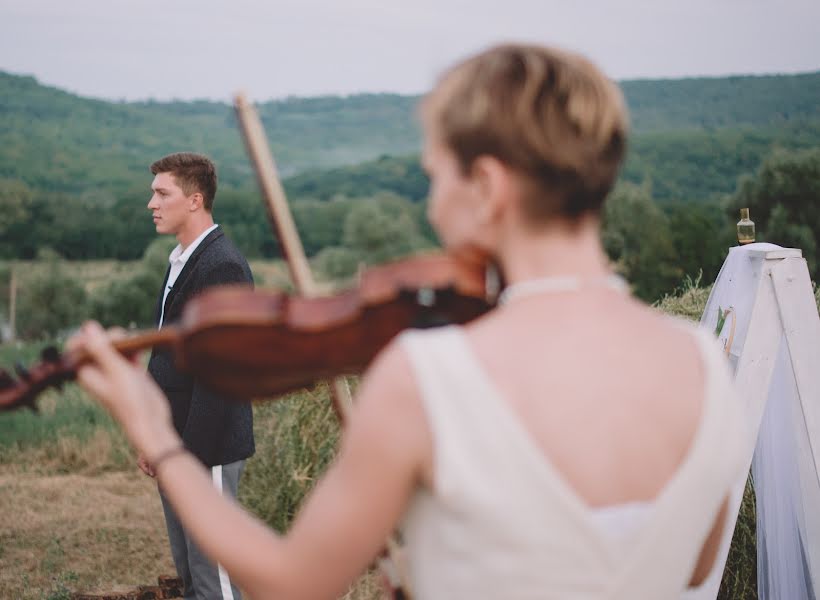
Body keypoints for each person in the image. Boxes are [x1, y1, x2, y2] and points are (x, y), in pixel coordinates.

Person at [69, 45, 747, 599]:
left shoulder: (430, 379)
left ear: (487, 185)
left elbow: (292, 584)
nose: (432, 206)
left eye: (435, 176)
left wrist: (157, 436)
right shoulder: (707, 365)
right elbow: (687, 568)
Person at [143, 152, 255, 600]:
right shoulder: (180, 260)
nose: (151, 203)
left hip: (206, 448)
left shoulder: (220, 266)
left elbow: (219, 375)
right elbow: (166, 358)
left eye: (161, 193)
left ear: (194, 200)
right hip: (177, 444)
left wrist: (188, 455)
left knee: (215, 582)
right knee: (191, 576)